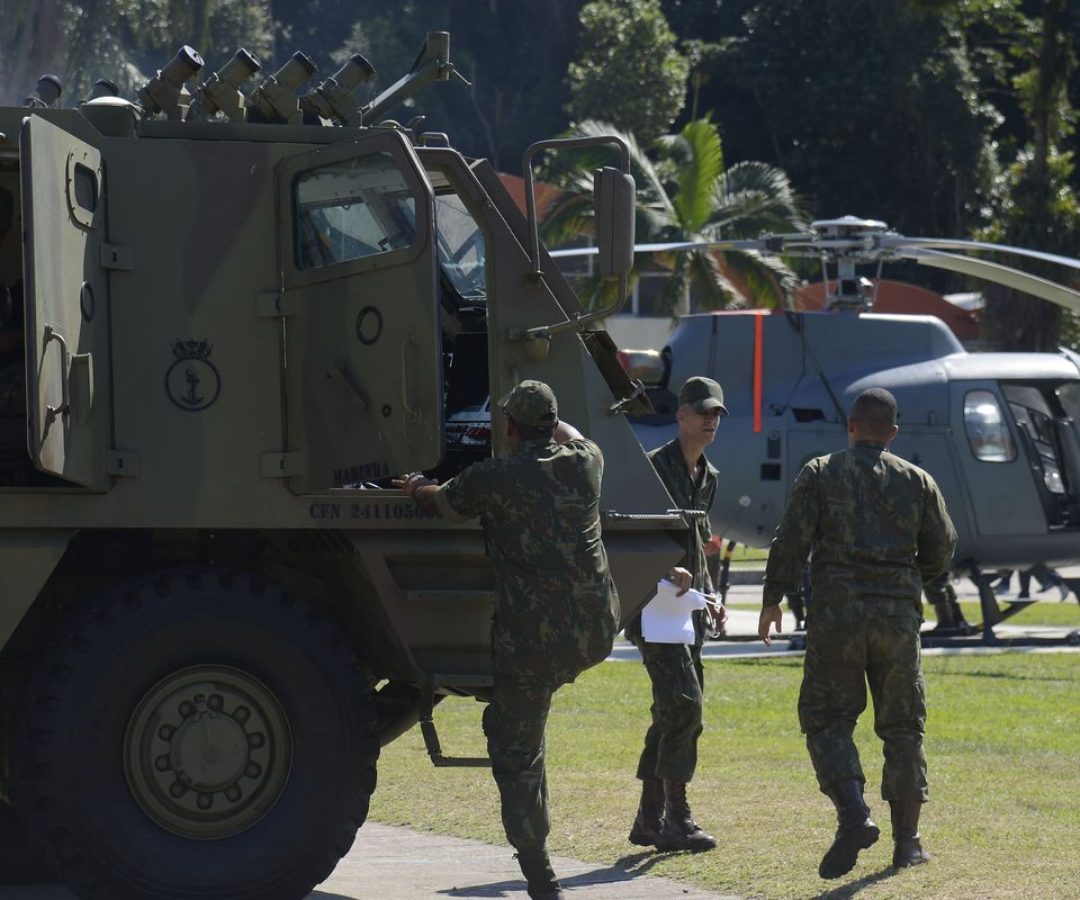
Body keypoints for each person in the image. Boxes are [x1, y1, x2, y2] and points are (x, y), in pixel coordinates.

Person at [398, 380, 619, 900]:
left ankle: (540, 872)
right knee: (529, 727)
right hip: (593, 633)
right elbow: (575, 433)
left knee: (516, 750)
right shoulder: (586, 461)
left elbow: (442, 502)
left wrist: (412, 486)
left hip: (531, 645)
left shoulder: (495, 477)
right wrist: (551, 422)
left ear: (510, 428)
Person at [759, 387, 957, 879]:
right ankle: (907, 844)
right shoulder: (918, 481)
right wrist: (908, 582)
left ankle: (853, 814)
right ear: (893, 432)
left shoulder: (821, 472)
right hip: (896, 621)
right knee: (903, 726)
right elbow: (942, 549)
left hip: (837, 618)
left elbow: (792, 539)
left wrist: (772, 597)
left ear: (850, 426)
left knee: (826, 719)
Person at [626, 376, 727, 853]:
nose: (710, 420)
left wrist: (711, 597)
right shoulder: (651, 470)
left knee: (671, 710)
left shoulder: (709, 477)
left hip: (687, 614)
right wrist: (666, 566)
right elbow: (626, 537)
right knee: (685, 706)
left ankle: (649, 819)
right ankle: (676, 820)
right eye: (703, 411)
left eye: (717, 414)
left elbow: (697, 549)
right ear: (680, 415)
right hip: (651, 609)